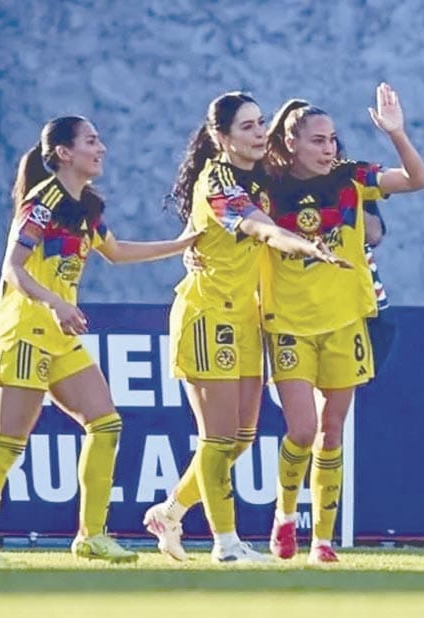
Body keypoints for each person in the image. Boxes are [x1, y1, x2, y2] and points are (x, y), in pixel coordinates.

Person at [0, 115, 201, 567]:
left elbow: (116, 252)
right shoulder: (42, 202)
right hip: (25, 331)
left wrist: (182, 244)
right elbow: (12, 267)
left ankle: (92, 536)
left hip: (58, 335)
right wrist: (55, 303)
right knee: (8, 443)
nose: (101, 148)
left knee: (106, 423)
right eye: (91, 141)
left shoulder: (86, 207)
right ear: (64, 153)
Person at [142, 92, 348, 564]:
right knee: (217, 439)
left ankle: (170, 513)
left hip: (247, 317)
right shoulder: (218, 180)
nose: (259, 133)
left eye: (261, 123)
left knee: (240, 437)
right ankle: (226, 545)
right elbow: (261, 228)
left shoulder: (262, 175)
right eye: (248, 127)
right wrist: (305, 246)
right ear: (221, 137)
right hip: (208, 315)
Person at [263, 83, 424, 563]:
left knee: (331, 431)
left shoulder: (351, 178)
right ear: (291, 142)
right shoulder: (268, 187)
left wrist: (396, 133)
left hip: (345, 322)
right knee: (302, 430)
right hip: (289, 322)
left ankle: (322, 540)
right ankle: (284, 515)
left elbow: (416, 179)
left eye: (332, 139)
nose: (328, 148)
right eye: (318, 140)